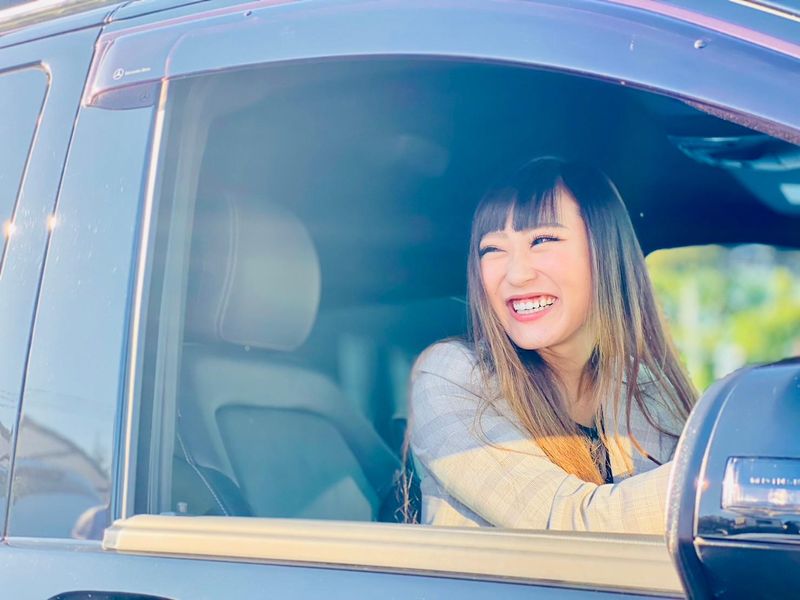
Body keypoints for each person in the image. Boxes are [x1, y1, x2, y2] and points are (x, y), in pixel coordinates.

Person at [409, 157, 696, 534]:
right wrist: (721, 481)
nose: (517, 274)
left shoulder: (646, 388)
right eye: (492, 249)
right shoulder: (453, 375)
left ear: (604, 253)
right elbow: (570, 524)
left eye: (542, 240)